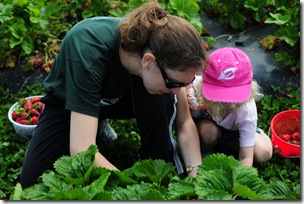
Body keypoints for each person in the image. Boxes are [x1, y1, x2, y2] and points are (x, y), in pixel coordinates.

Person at [20, 1, 207, 188]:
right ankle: (93, 123)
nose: (178, 91)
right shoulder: (88, 49)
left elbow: (184, 122)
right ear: (148, 61)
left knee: (162, 96)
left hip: (123, 96)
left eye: (185, 84)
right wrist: (135, 192)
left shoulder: (159, 52)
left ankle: (157, 163)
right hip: (69, 102)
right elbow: (81, 150)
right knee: (32, 179)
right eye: (175, 83)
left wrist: (196, 172)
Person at [186, 47, 273, 167]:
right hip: (209, 128)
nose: (231, 104)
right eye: (222, 98)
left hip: (234, 133)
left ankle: (256, 134)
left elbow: (246, 158)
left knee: (263, 153)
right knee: (207, 131)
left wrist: (238, 181)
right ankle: (206, 155)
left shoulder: (246, 110)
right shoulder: (195, 89)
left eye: (236, 97)